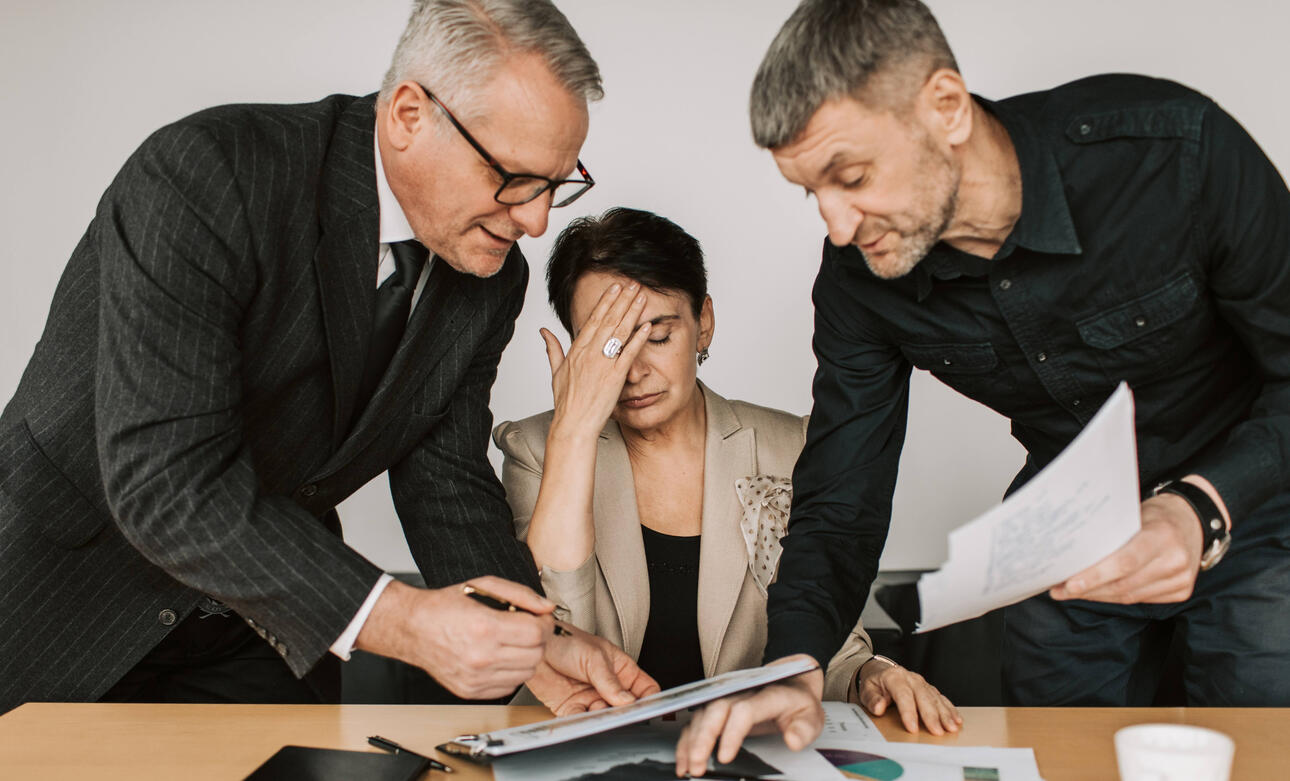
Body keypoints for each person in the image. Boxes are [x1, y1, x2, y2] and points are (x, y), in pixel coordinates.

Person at [676, 0, 1290, 773]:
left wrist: (1202, 505)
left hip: (1262, 496)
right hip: (1074, 521)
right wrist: (795, 663)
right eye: (812, 193)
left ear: (946, 108)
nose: (836, 226)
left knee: (1260, 730)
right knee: (1048, 744)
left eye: (853, 176)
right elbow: (842, 496)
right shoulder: (857, 282)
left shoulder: (1178, 157)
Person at [0, 0, 655, 714]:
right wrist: (402, 620)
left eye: (557, 184)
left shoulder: (492, 276)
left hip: (261, 628)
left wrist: (535, 638)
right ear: (409, 115)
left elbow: (445, 482)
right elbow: (165, 482)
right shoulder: (205, 173)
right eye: (515, 177)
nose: (533, 220)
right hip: (52, 602)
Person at [492, 207, 960, 725]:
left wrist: (871, 672)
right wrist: (574, 433)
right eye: (607, 347)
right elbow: (554, 637)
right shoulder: (537, 449)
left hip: (743, 750)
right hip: (582, 751)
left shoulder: (793, 446)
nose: (634, 372)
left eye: (659, 336)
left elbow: (828, 651)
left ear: (703, 323)